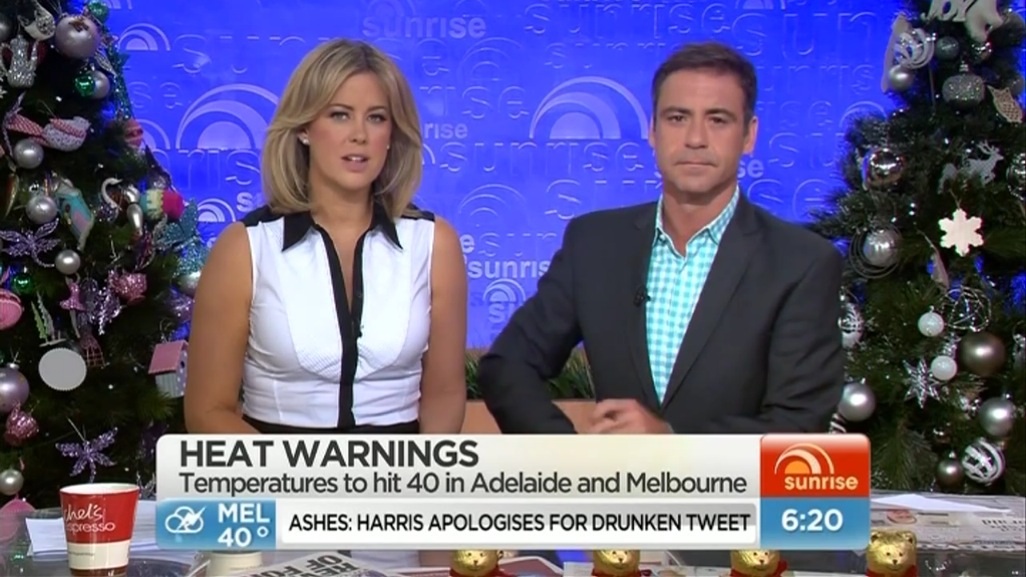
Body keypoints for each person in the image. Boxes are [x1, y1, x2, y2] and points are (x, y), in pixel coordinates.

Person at [183, 39, 467, 567]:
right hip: (271, 514)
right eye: (340, 114)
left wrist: (427, 506)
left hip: (398, 515)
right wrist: (308, 493)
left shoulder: (435, 245)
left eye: (376, 118)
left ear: (392, 135)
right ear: (304, 129)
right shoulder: (245, 248)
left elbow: (445, 394)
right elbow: (207, 410)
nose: (359, 134)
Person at [477, 41, 843, 435]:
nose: (696, 138)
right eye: (677, 118)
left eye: (718, 120)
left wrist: (671, 440)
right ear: (653, 130)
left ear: (749, 135)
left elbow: (798, 424)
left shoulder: (801, 263)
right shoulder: (595, 245)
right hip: (613, 477)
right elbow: (507, 365)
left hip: (732, 479)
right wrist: (569, 454)